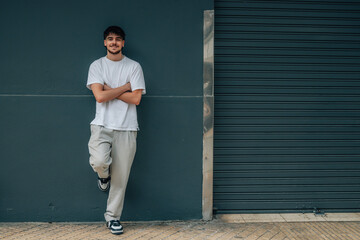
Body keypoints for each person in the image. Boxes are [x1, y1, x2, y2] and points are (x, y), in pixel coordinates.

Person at [86, 25, 146, 235]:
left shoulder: (134, 66)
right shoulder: (96, 66)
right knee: (100, 161)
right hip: (101, 125)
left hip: (127, 128)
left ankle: (112, 218)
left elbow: (136, 99)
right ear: (105, 42)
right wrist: (124, 87)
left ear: (123, 43)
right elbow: (99, 97)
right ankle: (103, 177)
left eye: (118, 39)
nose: (114, 42)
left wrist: (108, 88)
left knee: (121, 177)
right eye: (110, 39)